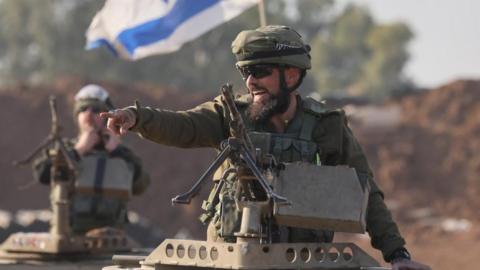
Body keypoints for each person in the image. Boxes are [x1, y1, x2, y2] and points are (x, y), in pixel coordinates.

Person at [102, 25, 430, 270]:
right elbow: (183, 126)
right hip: (230, 261)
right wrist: (137, 117)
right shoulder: (230, 116)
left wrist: (397, 254)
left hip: (301, 262)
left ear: (292, 73)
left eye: (259, 71)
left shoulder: (325, 126)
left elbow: (365, 192)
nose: (250, 82)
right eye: (245, 72)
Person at [33, 84, 150, 234]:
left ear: (107, 116)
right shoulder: (66, 149)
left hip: (109, 238)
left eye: (95, 110)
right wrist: (78, 151)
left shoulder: (121, 154)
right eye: (82, 109)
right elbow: (41, 173)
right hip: (68, 235)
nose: (88, 115)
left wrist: (118, 152)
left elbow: (141, 185)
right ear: (77, 116)